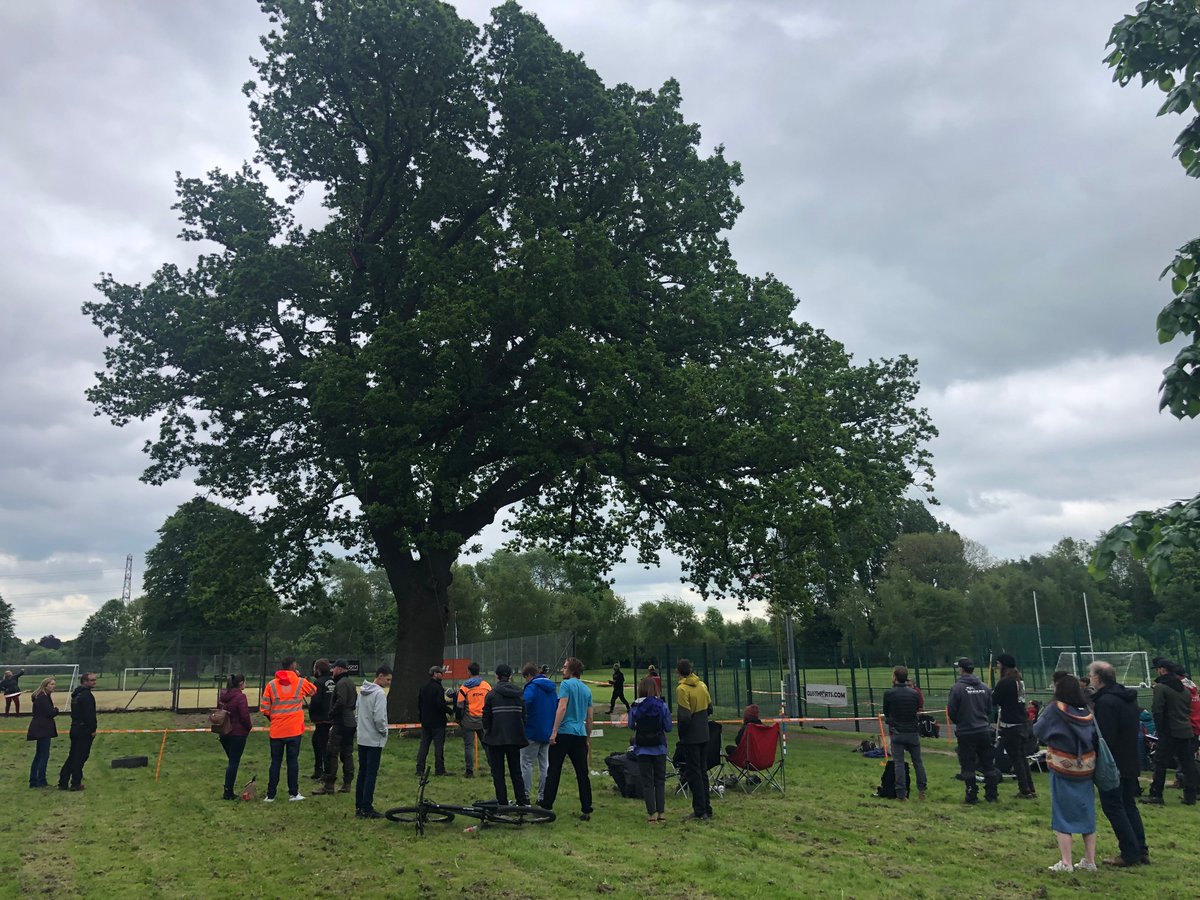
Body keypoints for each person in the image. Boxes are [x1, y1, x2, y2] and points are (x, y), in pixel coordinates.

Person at [1033, 674, 1099, 873]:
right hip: (1086, 767)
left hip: (1062, 765)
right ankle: (1090, 860)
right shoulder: (1087, 709)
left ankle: (1066, 862)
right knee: (1087, 811)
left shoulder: (1055, 709)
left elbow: (1038, 730)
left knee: (1062, 814)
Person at [1088, 661, 1149, 867]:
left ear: (1098, 678)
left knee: (1113, 806)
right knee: (1128, 804)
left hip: (1112, 763)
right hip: (1130, 759)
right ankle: (1141, 849)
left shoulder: (1106, 703)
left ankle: (1129, 852)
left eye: (1091, 675)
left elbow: (1105, 736)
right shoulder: (1128, 699)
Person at [542, 657, 594, 820]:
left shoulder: (565, 685)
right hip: (580, 734)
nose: (562, 670)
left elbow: (562, 706)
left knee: (554, 770)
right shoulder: (587, 690)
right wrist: (587, 736)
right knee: (582, 773)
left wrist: (554, 731)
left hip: (564, 732)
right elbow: (590, 717)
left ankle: (547, 805)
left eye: (565, 668)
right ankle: (586, 808)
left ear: (572, 671)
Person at [260, 656, 317, 802]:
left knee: (275, 762)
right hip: (294, 730)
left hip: (277, 730)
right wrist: (299, 677)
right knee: (292, 762)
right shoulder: (300, 682)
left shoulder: (271, 685)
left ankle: (270, 795)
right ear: (293, 666)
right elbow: (313, 691)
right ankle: (293, 793)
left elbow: (265, 708)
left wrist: (274, 719)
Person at [1145, 658, 1198, 805]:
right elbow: (1188, 710)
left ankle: (1156, 794)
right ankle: (1190, 796)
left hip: (1169, 731)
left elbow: (1157, 710)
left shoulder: (1161, 688)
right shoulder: (1184, 690)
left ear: (1162, 670)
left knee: (1160, 763)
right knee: (1188, 764)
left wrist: (1160, 731)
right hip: (1186, 730)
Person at [946, 657, 999, 804]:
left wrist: (961, 721)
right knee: (988, 763)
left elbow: (951, 711)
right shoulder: (984, 687)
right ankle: (992, 794)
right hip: (983, 729)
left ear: (961, 669)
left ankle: (971, 794)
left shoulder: (957, 688)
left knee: (968, 764)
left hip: (966, 731)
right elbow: (989, 709)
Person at [482, 663, 529, 805]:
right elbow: (524, 716)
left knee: (498, 773)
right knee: (516, 772)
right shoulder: (519, 693)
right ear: (510, 676)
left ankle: (502, 803)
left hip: (495, 738)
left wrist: (488, 730)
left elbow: (486, 718)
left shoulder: (492, 694)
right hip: (515, 738)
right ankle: (521, 802)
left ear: (496, 676)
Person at [991, 654, 1036, 800]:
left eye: (998, 664)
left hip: (1010, 724)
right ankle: (1030, 788)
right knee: (1022, 757)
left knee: (1016, 758)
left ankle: (1024, 790)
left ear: (1004, 665)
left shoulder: (1005, 682)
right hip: (1022, 722)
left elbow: (994, 700)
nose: (997, 667)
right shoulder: (1019, 681)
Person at [629, 675, 672, 824]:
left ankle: (651, 815)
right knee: (660, 781)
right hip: (659, 747)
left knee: (647, 782)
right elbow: (668, 727)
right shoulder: (662, 706)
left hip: (642, 748)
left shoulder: (635, 706)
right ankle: (662, 813)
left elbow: (630, 725)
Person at [675, 658, 714, 822]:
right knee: (703, 772)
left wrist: (682, 736)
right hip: (705, 733)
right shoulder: (702, 685)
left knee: (693, 773)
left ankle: (699, 811)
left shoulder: (682, 689)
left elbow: (684, 717)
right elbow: (710, 709)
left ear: (678, 672)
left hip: (691, 736)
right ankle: (707, 808)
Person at [882, 666, 927, 801]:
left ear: (895, 677)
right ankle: (922, 790)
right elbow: (917, 710)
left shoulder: (889, 694)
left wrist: (891, 721)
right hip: (912, 731)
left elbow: (886, 712)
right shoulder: (914, 693)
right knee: (918, 761)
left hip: (897, 732)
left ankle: (901, 794)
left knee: (899, 763)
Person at [314, 658, 357, 796]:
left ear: (340, 669)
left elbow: (341, 701)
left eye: (334, 668)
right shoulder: (350, 682)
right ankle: (347, 783)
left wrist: (331, 713)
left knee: (331, 753)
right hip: (350, 722)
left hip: (341, 722)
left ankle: (329, 785)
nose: (332, 670)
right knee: (347, 753)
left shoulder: (342, 683)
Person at [355, 664, 392, 819]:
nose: (389, 682)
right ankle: (367, 806)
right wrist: (383, 730)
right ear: (380, 676)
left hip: (362, 737)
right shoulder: (379, 694)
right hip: (374, 739)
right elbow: (379, 717)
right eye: (388, 679)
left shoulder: (362, 692)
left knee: (362, 772)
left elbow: (356, 713)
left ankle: (359, 805)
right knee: (371, 774)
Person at [521, 661, 557, 805]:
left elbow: (524, 705)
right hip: (548, 731)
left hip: (532, 731)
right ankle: (543, 796)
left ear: (529, 675)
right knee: (545, 765)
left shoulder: (531, 688)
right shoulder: (552, 689)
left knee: (527, 763)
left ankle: (525, 796)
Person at [57, 672, 97, 791]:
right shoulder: (86, 696)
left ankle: (63, 781)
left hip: (75, 727)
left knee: (73, 756)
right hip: (83, 730)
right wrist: (93, 729)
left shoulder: (76, 695)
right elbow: (89, 715)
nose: (94, 682)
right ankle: (75, 783)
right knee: (80, 757)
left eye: (95, 680)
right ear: (84, 681)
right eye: (91, 680)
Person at [217, 674, 252, 800]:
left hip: (224, 733)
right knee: (233, 762)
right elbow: (244, 716)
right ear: (241, 683)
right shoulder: (240, 697)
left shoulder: (223, 697)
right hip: (237, 734)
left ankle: (228, 788)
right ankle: (228, 791)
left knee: (231, 760)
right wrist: (248, 727)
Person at [455, 661, 491, 779]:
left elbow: (459, 706)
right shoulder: (486, 686)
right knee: (487, 745)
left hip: (468, 721)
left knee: (468, 747)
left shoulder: (464, 687)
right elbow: (491, 703)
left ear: (469, 672)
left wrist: (458, 719)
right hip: (483, 720)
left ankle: (469, 771)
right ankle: (493, 768)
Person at [416, 665, 451, 776]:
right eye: (441, 673)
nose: (442, 675)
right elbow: (440, 704)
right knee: (438, 747)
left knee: (424, 746)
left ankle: (419, 769)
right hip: (438, 722)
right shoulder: (438, 688)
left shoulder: (423, 687)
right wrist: (449, 710)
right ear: (435, 674)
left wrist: (422, 718)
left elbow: (420, 704)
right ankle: (439, 769)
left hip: (426, 721)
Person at [26, 677, 58, 788]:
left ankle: (33, 781)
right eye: (52, 684)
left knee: (39, 755)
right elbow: (49, 713)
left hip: (39, 728)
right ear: (45, 685)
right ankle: (41, 781)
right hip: (43, 729)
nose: (54, 686)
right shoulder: (43, 698)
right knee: (43, 755)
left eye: (54, 684)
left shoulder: (40, 697)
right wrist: (56, 710)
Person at [308, 658, 335, 781]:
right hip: (332, 717)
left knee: (322, 745)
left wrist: (311, 712)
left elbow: (316, 700)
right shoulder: (333, 681)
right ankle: (319, 770)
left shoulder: (318, 683)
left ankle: (325, 773)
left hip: (321, 719)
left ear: (318, 670)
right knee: (319, 743)